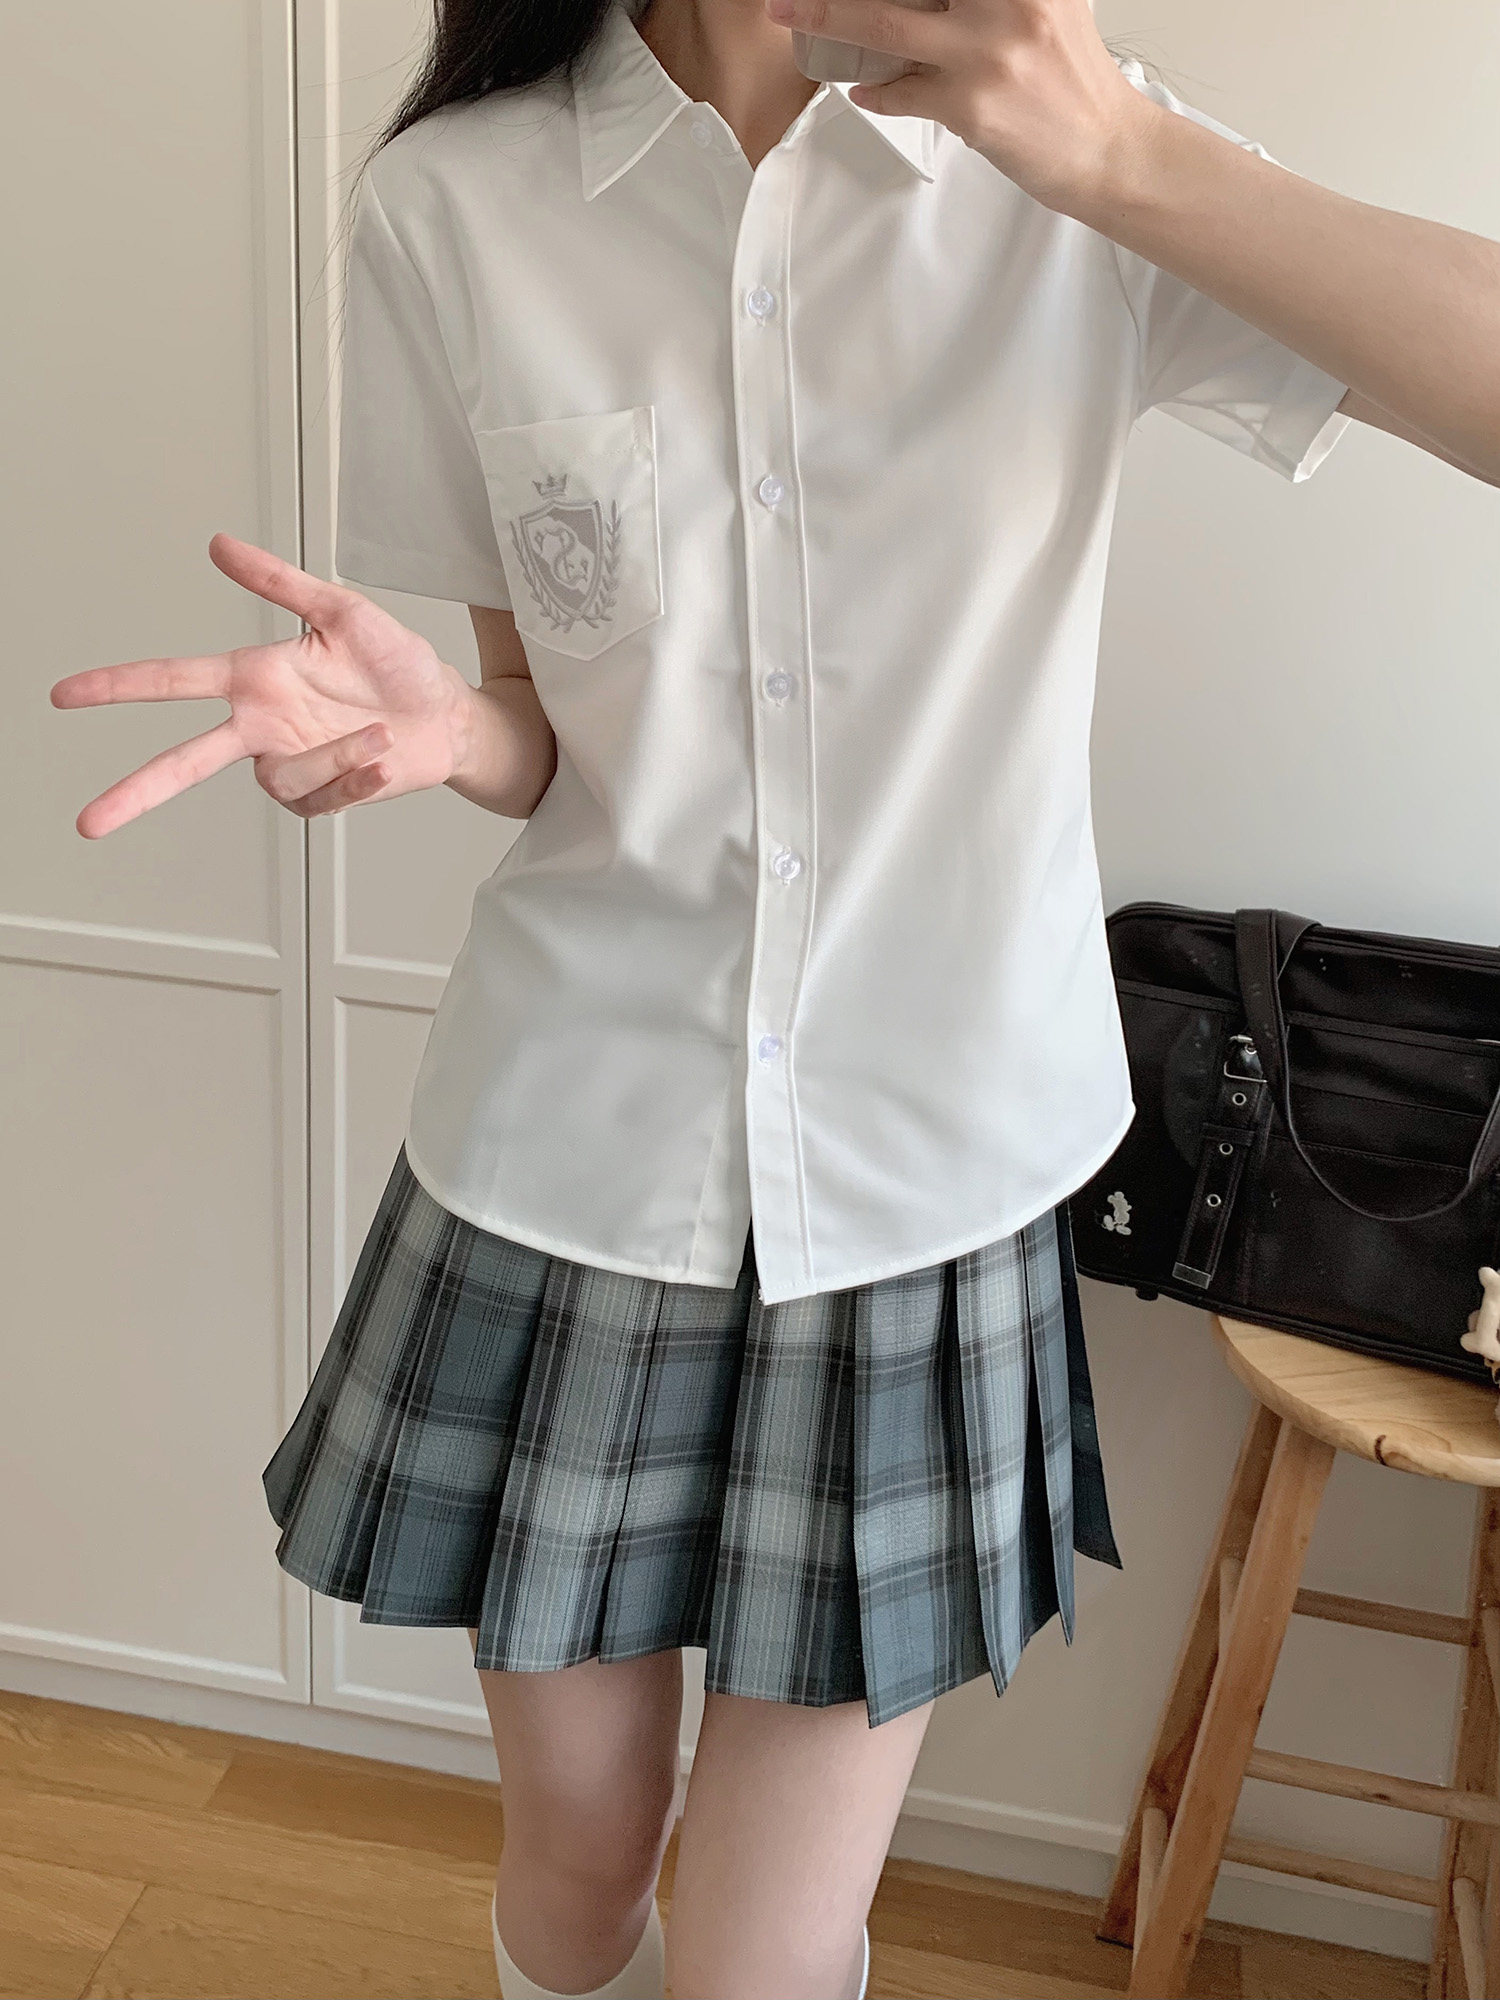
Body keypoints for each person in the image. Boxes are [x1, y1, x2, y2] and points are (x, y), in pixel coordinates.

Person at [50, 0, 1499, 1994]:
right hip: (573, 1156)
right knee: (577, 1869)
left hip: (923, 1184)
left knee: (762, 1954)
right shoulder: (456, 202)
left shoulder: (1071, 157)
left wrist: (1120, 155)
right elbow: (544, 730)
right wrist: (449, 732)